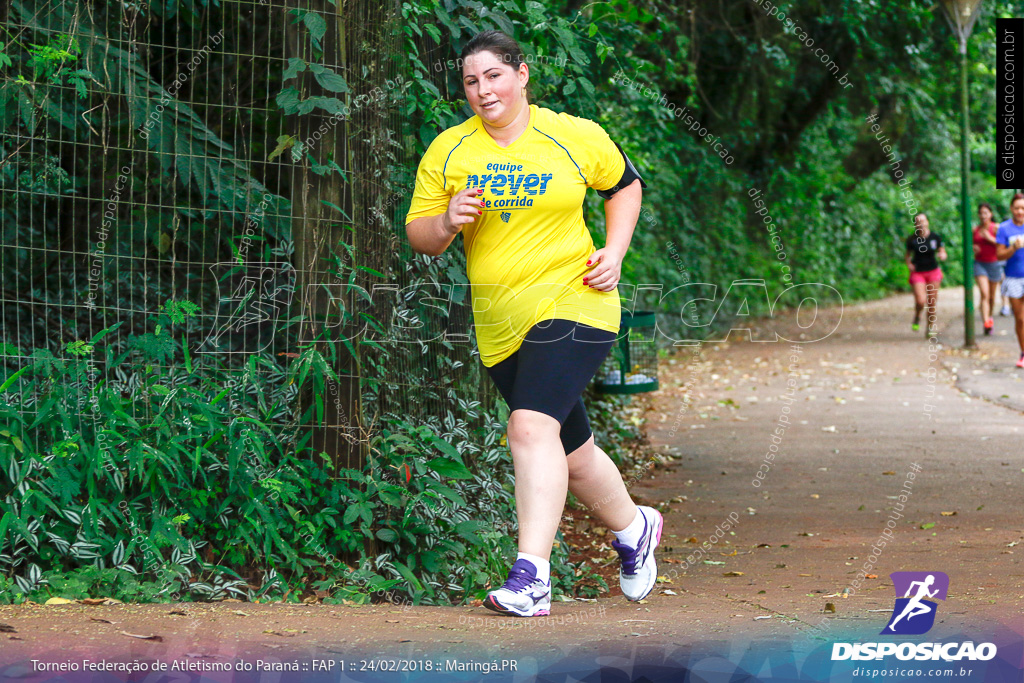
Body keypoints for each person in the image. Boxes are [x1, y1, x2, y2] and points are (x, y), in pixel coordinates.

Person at [405, 30, 660, 617]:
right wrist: (446, 221)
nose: (482, 90)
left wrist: (615, 252)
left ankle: (532, 578)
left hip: (577, 302)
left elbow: (624, 185)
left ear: (522, 74)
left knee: (526, 427)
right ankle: (634, 528)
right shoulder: (450, 150)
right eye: (471, 81)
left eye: (493, 75)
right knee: (570, 451)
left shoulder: (572, 135)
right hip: (500, 325)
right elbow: (421, 237)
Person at [905, 212, 947, 337]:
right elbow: (907, 256)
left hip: (933, 271)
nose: (921, 224)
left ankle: (930, 327)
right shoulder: (912, 240)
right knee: (920, 301)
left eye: (923, 221)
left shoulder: (935, 237)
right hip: (918, 273)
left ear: (927, 222)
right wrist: (909, 265)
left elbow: (942, 251)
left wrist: (942, 255)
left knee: (931, 302)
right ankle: (917, 315)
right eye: (918, 222)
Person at [995, 193, 1024, 368]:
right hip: (1013, 278)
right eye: (1017, 208)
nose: (1020, 211)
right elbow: (999, 255)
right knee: (1020, 319)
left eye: (1023, 208)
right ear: (1011, 209)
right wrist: (1013, 247)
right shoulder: (1004, 229)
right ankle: (1023, 352)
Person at [972, 203, 1002, 335]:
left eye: (986, 213)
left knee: (991, 297)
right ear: (978, 215)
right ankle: (986, 321)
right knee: (984, 293)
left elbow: (1003, 244)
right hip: (979, 264)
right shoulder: (975, 230)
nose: (983, 215)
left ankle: (989, 318)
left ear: (991, 214)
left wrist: (990, 238)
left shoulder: (996, 228)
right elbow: (971, 245)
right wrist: (974, 248)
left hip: (994, 264)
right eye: (981, 213)